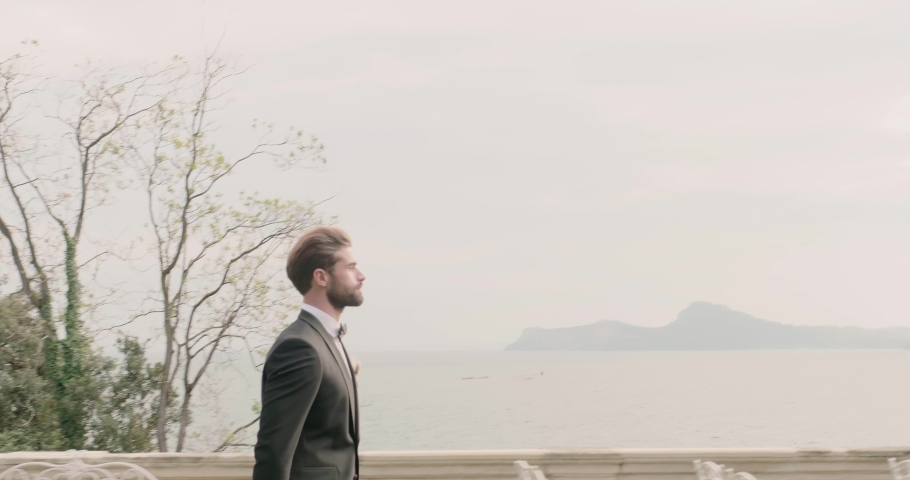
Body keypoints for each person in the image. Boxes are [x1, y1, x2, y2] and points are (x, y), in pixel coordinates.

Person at [253, 226, 366, 480]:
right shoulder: (299, 348)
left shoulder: (327, 339)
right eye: (350, 267)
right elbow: (273, 452)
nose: (361, 276)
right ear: (321, 277)